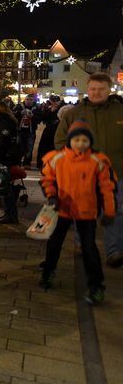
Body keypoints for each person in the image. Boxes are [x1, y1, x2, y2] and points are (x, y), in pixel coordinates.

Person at [40, 121, 117, 304]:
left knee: (89, 248)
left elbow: (108, 188)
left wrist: (109, 211)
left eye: (84, 140)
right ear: (69, 140)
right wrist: (51, 195)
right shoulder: (57, 158)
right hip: (62, 209)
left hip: (86, 212)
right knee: (54, 244)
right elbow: (47, 178)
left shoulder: (98, 161)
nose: (80, 143)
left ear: (90, 141)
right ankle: (48, 272)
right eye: (76, 139)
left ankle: (96, 286)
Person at [54, 73, 123, 268]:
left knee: (115, 212)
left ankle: (114, 251)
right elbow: (60, 140)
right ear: (88, 89)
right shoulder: (74, 113)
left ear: (109, 90)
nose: (96, 92)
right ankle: (82, 245)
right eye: (93, 89)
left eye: (101, 89)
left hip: (116, 173)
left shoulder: (120, 112)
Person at [0, 101, 22, 224]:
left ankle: (11, 215)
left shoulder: (3, 123)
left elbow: (1, 143)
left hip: (4, 159)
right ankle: (10, 214)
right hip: (9, 158)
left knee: (6, 189)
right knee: (6, 188)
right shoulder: (9, 121)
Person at [34, 95, 62, 169]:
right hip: (49, 129)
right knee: (46, 147)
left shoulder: (61, 108)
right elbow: (43, 118)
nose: (55, 103)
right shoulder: (48, 109)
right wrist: (50, 111)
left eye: (56, 101)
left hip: (58, 129)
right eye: (53, 101)